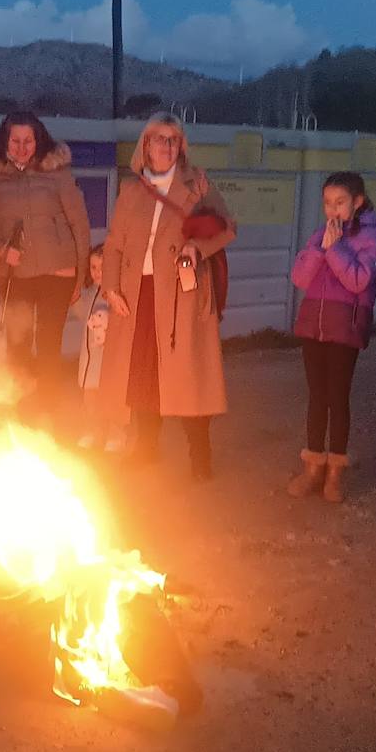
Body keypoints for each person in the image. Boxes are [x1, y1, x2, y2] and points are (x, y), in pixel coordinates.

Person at [97, 112, 236, 481]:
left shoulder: (198, 184)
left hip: (180, 294)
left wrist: (195, 247)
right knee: (141, 373)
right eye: (159, 138)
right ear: (145, 145)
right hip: (137, 293)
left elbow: (226, 226)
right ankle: (146, 447)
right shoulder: (131, 189)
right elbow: (113, 245)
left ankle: (200, 455)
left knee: (190, 377)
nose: (166, 145)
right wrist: (111, 287)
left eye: (173, 139)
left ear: (181, 146)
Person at [0, 111, 92, 421]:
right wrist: (2, 252)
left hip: (57, 272)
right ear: (5, 142)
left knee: (48, 349)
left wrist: (80, 276)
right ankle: (20, 416)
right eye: (14, 141)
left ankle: (48, 416)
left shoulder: (57, 174)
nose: (21, 147)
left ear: (38, 140)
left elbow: (79, 225)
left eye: (27, 141)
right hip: (16, 275)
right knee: (17, 348)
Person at [285, 172, 376, 503]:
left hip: (345, 327)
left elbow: (359, 281)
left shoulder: (371, 237)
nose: (333, 210)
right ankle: (312, 466)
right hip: (314, 325)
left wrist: (336, 249)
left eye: (340, 203)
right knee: (316, 396)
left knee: (337, 398)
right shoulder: (320, 234)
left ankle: (334, 473)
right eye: (328, 203)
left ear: (357, 202)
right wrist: (321, 249)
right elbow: (299, 278)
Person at [72, 244, 126, 452]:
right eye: (93, 267)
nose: (98, 273)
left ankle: (116, 434)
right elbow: (81, 313)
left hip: (107, 364)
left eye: (103, 268)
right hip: (89, 363)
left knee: (113, 401)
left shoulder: (115, 294)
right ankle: (94, 432)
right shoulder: (91, 293)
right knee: (90, 403)